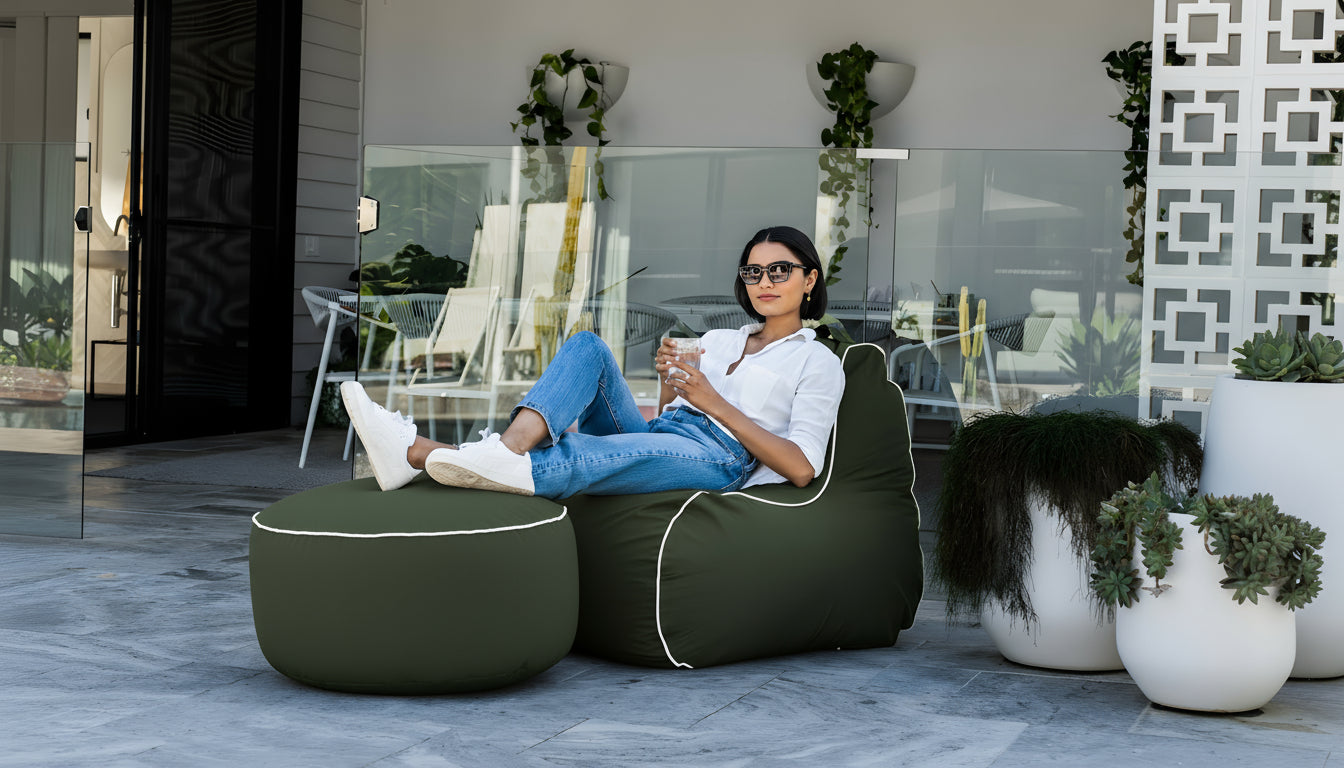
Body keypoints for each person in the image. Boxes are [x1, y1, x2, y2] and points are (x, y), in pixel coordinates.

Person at [341, 225, 846, 499]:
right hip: (668, 433)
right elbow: (668, 414)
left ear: (810, 279)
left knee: (581, 450)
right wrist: (672, 383)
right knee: (588, 346)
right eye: (753, 272)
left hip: (722, 458)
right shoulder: (719, 339)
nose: (764, 282)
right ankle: (508, 449)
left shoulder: (816, 361)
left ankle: (415, 452)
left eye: (780, 270)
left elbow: (802, 468)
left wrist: (712, 402)